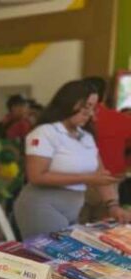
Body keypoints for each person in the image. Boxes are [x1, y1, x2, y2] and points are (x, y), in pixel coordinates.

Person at [14, 80, 130, 240]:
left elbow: (100, 174)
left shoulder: (86, 136)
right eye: (86, 106)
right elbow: (37, 176)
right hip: (42, 206)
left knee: (68, 258)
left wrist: (113, 205)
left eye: (93, 108)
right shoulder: (45, 132)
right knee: (50, 258)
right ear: (69, 102)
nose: (89, 113)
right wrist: (87, 179)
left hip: (73, 208)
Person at [79, 77, 131, 221]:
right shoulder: (121, 119)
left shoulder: (74, 122)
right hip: (111, 181)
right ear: (106, 93)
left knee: (75, 230)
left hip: (79, 182)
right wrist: (124, 167)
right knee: (102, 233)